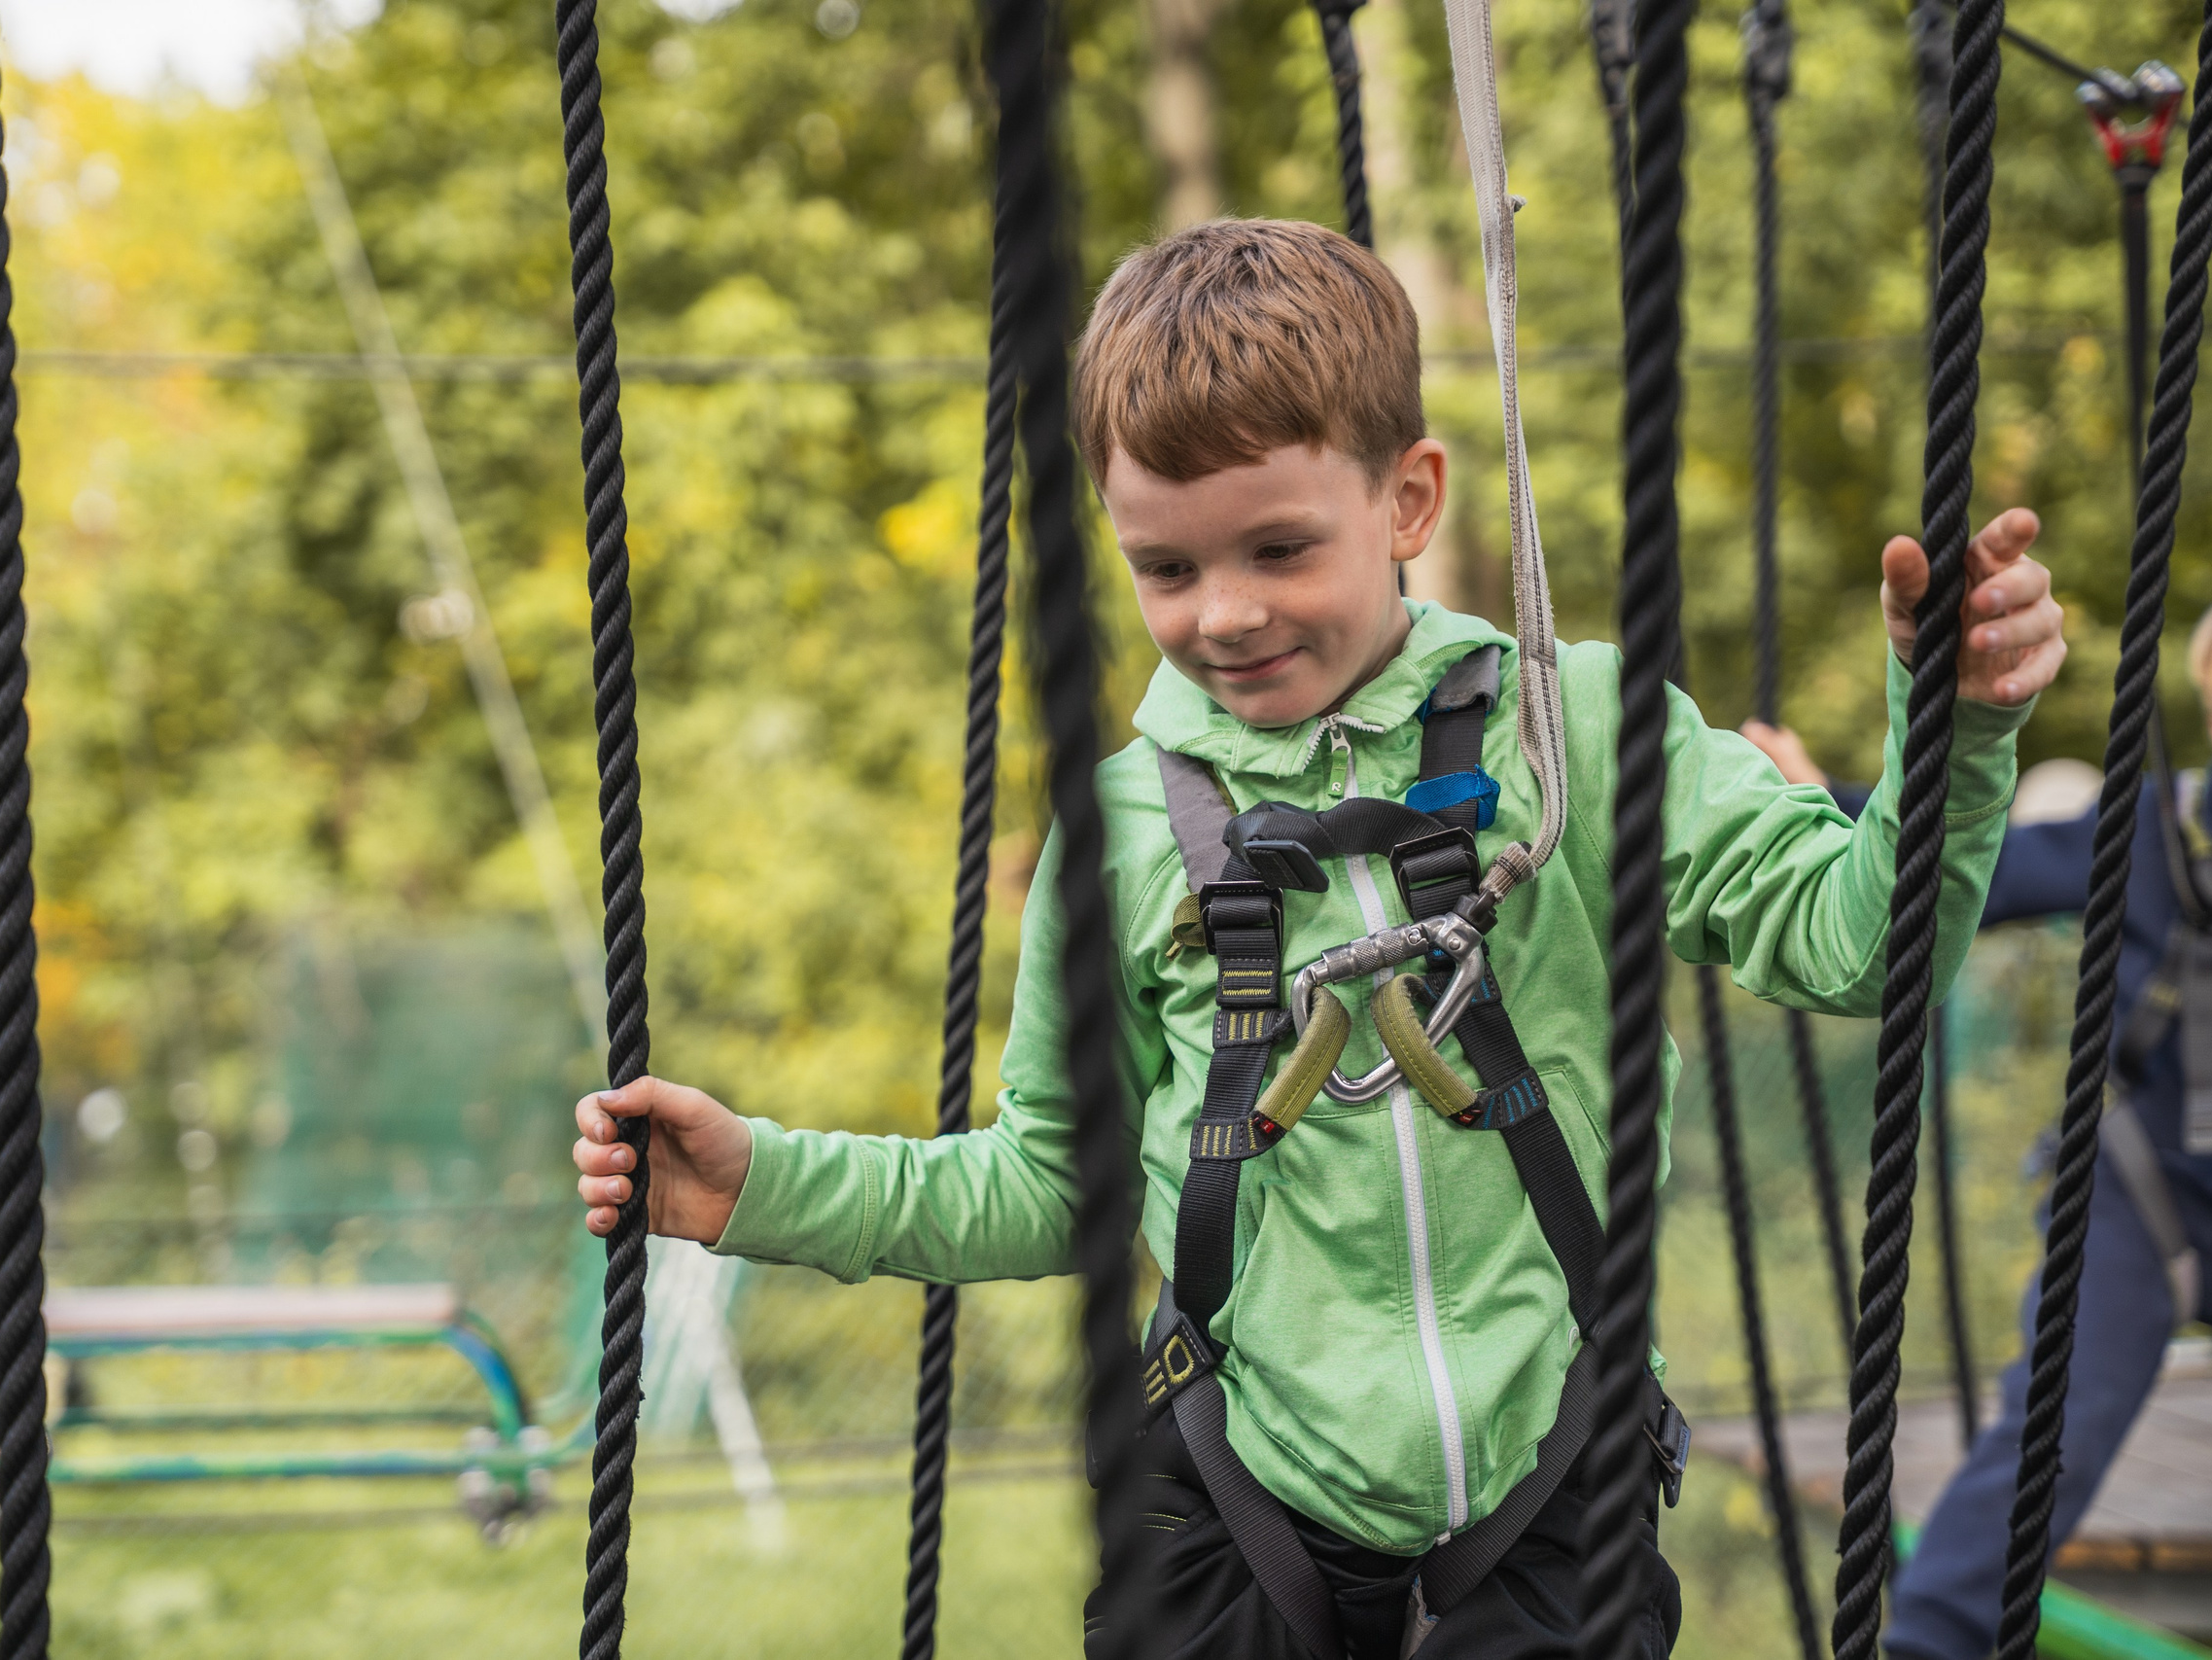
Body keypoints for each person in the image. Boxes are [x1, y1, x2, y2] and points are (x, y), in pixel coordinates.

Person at [571, 219, 2066, 1659]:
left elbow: (1854, 950)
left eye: (1279, 547)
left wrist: (1954, 732)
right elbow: (1051, 1180)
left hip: (1552, 1488)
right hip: (1236, 1497)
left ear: (1408, 502)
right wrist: (765, 1180)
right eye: (1165, 568)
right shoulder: (1126, 832)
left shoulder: (1578, 729)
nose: (1223, 613)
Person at [1746, 558, 2212, 1660]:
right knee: (2045, 1447)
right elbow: (1976, 866)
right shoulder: (2147, 835)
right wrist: (1823, 803)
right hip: (2137, 1201)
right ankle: (1934, 1647)